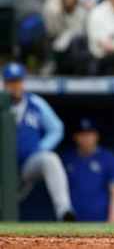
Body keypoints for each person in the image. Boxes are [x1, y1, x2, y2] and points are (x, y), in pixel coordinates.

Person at [2, 62, 74, 221]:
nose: (15, 86)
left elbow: (57, 128)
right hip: (3, 166)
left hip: (28, 162)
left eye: (18, 81)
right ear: (4, 83)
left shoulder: (35, 103)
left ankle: (64, 211)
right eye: (11, 82)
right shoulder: (1, 103)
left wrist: (40, 147)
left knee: (49, 159)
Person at [62, 118, 114, 222]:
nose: (86, 138)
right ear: (75, 137)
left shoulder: (108, 158)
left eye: (89, 134)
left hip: (100, 220)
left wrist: (112, 221)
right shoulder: (67, 159)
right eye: (82, 134)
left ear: (96, 135)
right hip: (72, 221)